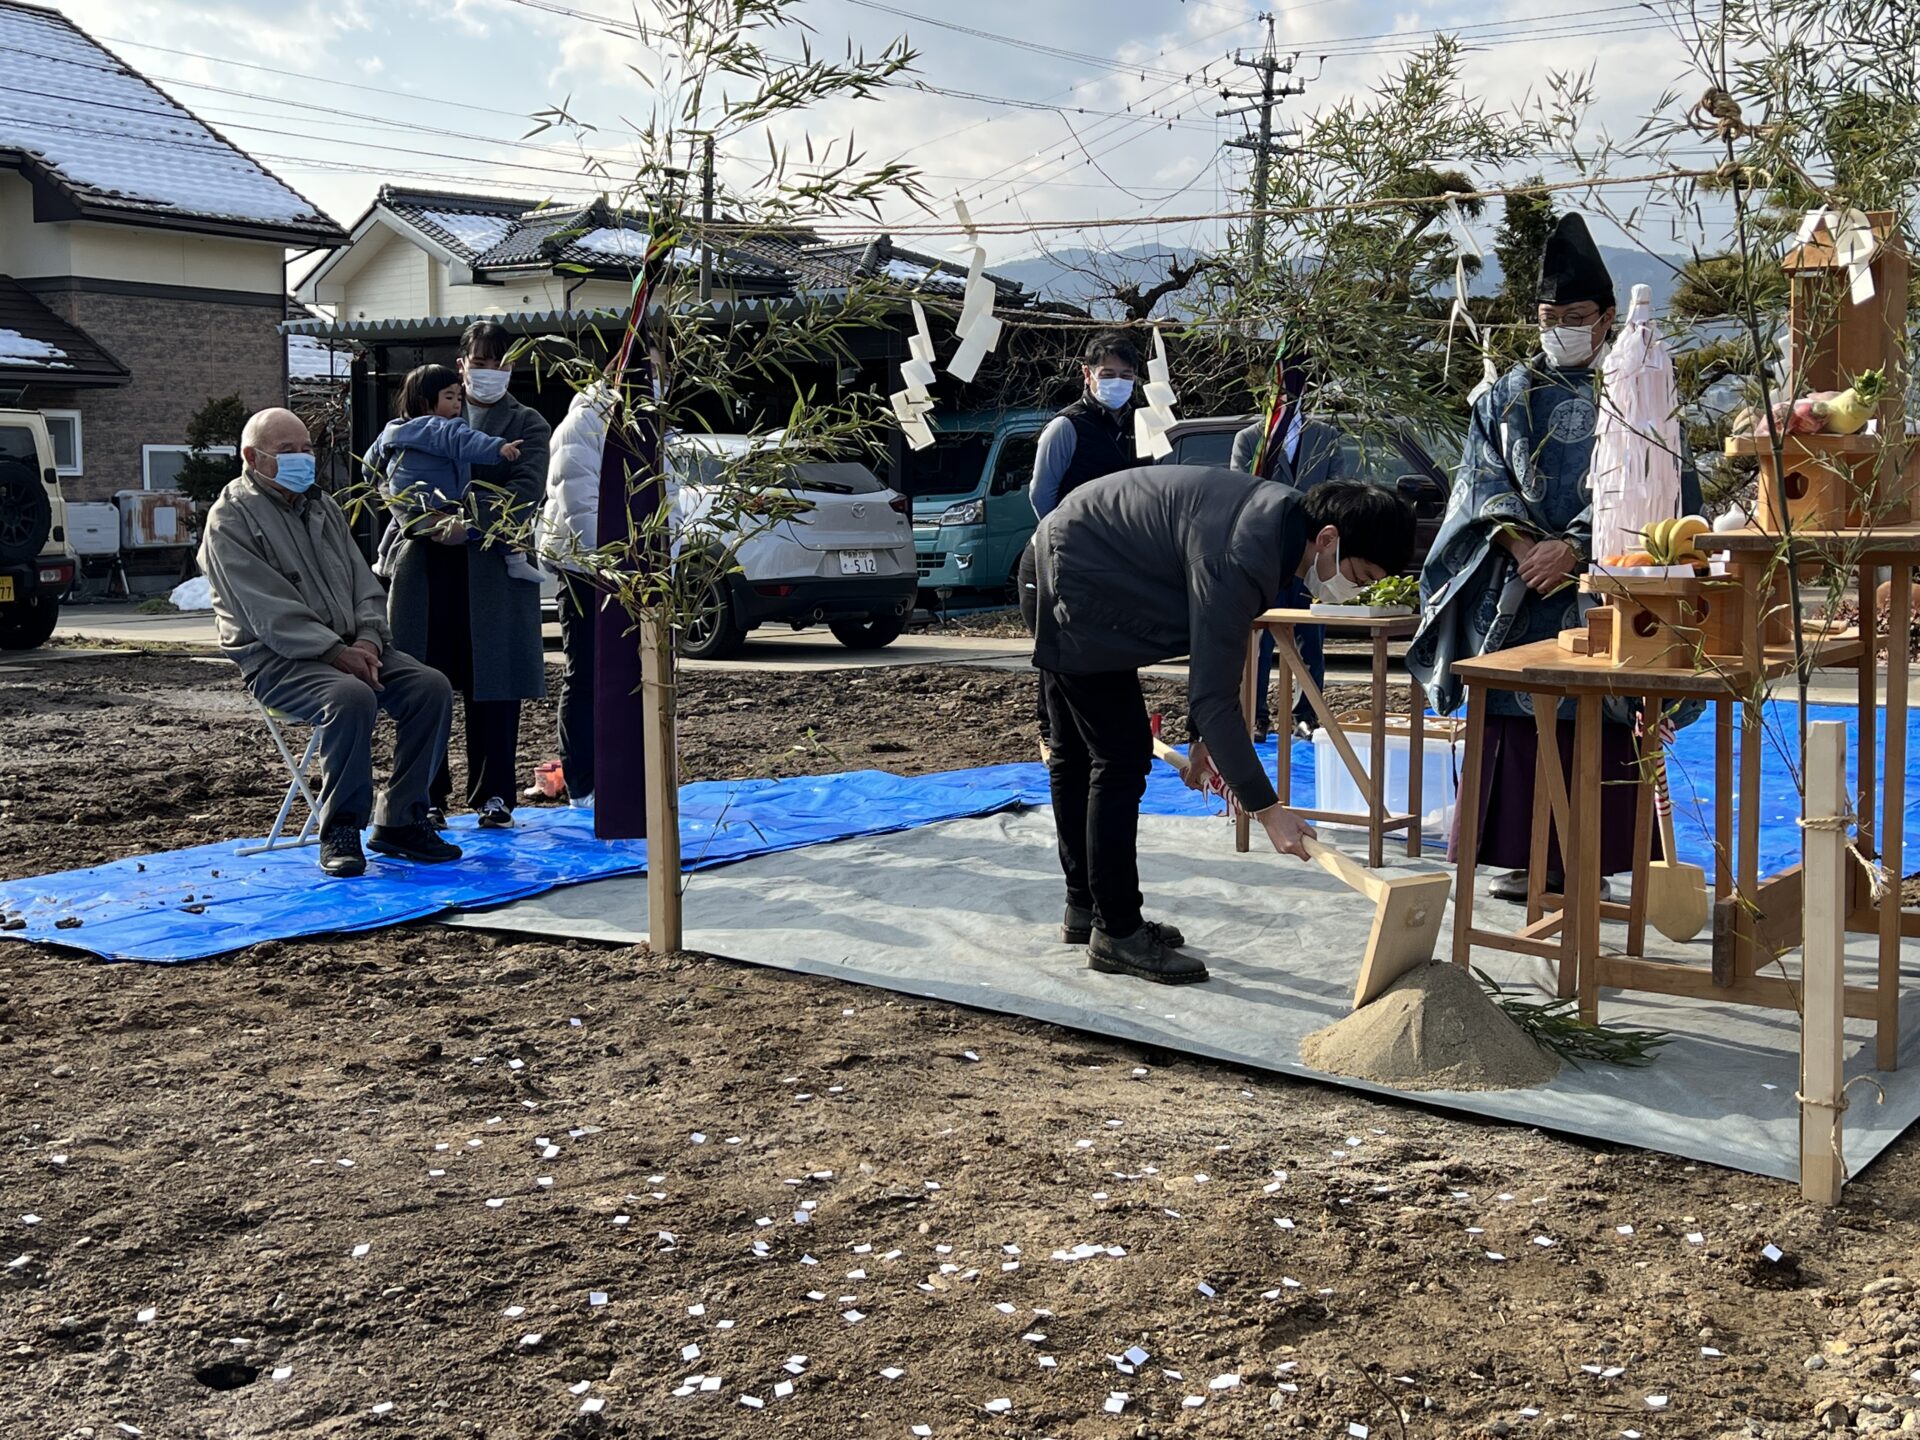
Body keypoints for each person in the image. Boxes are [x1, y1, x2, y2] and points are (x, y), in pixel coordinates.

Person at [1407, 214, 1702, 903]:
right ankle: (1522, 853)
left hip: (1607, 578)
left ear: (1604, 319)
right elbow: (1477, 481)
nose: (1559, 327)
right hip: (1517, 581)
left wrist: (1574, 546)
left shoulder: (1639, 385)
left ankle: (1590, 859)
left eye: (1573, 315)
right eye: (1547, 315)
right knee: (1515, 714)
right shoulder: (1507, 394)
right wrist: (1518, 544)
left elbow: (1658, 483)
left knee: (1599, 715)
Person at [1033, 468, 1416, 985]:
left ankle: (1087, 909)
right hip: (1075, 576)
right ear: (1328, 539)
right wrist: (1269, 809)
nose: (1354, 590)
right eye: (1362, 576)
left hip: (1079, 558)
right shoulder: (1245, 552)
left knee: (1078, 753)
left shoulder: (1276, 526)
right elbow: (1215, 696)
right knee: (1117, 759)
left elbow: (1217, 654)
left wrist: (1200, 739)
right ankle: (1117, 933)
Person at [199, 408, 460, 877]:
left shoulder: (322, 505)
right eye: (287, 451)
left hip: (353, 648)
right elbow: (268, 611)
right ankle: (341, 827)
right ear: (252, 457)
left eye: (306, 449)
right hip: (279, 661)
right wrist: (336, 652)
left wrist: (368, 639)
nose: (303, 459)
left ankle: (400, 818)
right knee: (350, 696)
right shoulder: (229, 520)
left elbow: (364, 584)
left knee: (431, 686)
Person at [384, 321, 552, 830]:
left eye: (499, 362)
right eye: (479, 362)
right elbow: (392, 480)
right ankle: (425, 794)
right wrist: (428, 520)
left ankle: (495, 794)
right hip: (426, 567)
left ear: (513, 367)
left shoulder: (528, 423)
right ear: (461, 365)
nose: (488, 372)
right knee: (425, 683)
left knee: (495, 687)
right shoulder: (421, 413)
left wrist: (466, 522)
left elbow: (525, 490)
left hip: (494, 570)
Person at [1017, 332, 1144, 752]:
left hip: (1116, 562)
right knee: (1059, 652)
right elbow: (1041, 495)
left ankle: (1079, 739)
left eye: (1126, 375)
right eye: (1108, 373)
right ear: (1087, 375)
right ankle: (1052, 736)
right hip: (1062, 560)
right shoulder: (1066, 427)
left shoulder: (1139, 427)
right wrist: (1063, 545)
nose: (1117, 383)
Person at [1230, 389, 1347, 738]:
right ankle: (1257, 715)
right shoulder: (1250, 439)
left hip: (1312, 557)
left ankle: (1306, 715)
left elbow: (1338, 495)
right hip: (1266, 557)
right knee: (1260, 640)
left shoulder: (1326, 437)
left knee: (1311, 639)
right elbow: (1241, 492)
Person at [531, 379, 621, 807]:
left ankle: (624, 770)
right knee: (585, 671)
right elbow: (579, 501)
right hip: (586, 568)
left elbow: (669, 496)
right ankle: (582, 780)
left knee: (629, 675)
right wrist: (610, 565)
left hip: (633, 570)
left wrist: (664, 561)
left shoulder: (651, 421)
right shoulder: (585, 420)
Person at [368, 364, 538, 585]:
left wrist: (369, 480)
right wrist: (498, 448)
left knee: (395, 525)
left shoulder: (392, 430)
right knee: (500, 516)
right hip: (444, 501)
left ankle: (382, 560)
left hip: (412, 506)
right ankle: (515, 559)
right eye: (450, 397)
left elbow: (371, 463)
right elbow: (466, 441)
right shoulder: (441, 427)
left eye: (459, 397)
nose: (458, 403)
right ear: (423, 401)